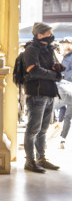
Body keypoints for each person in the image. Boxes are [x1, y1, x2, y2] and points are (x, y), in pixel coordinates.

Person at [22, 22, 63, 173]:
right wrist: (53, 74)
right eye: (48, 33)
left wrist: (57, 69)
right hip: (36, 94)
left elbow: (54, 66)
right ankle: (29, 161)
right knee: (33, 129)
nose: (51, 36)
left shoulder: (49, 50)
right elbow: (34, 70)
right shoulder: (30, 49)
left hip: (49, 93)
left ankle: (41, 158)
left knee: (43, 130)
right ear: (39, 35)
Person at [56, 38, 72, 148]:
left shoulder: (68, 57)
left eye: (64, 44)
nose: (62, 46)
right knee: (63, 114)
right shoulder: (64, 57)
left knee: (67, 116)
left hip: (69, 88)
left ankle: (63, 139)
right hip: (63, 87)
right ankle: (61, 138)